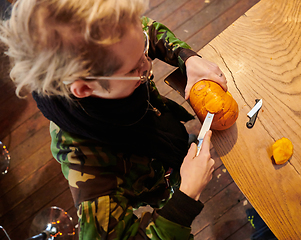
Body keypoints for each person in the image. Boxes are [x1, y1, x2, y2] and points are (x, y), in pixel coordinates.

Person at [0, 0, 228, 239]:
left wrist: (186, 57)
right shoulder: (88, 167)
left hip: (163, 136)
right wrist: (186, 196)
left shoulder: (110, 43)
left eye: (144, 48)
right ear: (84, 88)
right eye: (133, 70)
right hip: (155, 183)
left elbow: (146, 31)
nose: (147, 64)